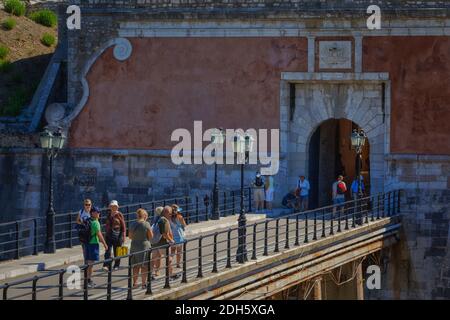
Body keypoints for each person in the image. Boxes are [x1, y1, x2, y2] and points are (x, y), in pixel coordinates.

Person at [129, 208, 153, 289]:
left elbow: (130, 236)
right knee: (144, 266)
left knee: (135, 267)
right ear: (144, 215)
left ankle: (135, 283)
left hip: (134, 247)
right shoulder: (146, 224)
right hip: (144, 247)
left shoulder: (133, 224)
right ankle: (143, 283)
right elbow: (151, 236)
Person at [85, 207, 108, 288]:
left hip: (87, 243)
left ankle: (87, 279)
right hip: (93, 244)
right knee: (91, 264)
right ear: (92, 213)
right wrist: (105, 244)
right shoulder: (95, 223)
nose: (99, 213)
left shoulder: (88, 220)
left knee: (88, 263)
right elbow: (99, 235)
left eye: (99, 212)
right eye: (97, 212)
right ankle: (88, 281)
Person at [152, 206, 175, 279]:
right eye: (170, 213)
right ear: (165, 212)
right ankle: (171, 274)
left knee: (154, 259)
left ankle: (150, 274)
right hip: (163, 243)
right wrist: (171, 240)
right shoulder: (164, 220)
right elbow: (165, 234)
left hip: (155, 243)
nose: (171, 215)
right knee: (169, 259)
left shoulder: (157, 219)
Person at [103, 200, 126, 271]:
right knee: (108, 251)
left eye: (114, 206)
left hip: (118, 235)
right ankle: (106, 265)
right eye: (112, 206)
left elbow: (123, 226)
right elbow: (106, 225)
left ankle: (117, 265)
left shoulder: (119, 214)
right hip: (109, 235)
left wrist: (124, 236)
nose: (113, 207)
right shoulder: (108, 214)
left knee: (118, 251)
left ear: (117, 207)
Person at [170, 204, 187, 272]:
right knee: (179, 251)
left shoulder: (169, 218)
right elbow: (184, 225)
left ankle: (169, 263)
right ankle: (178, 264)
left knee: (172, 251)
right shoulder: (180, 217)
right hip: (179, 236)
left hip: (172, 236)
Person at [76, 199, 92, 264]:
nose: (87, 206)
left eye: (89, 205)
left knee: (90, 249)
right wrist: (82, 223)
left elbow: (96, 220)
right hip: (83, 233)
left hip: (91, 233)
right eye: (86, 204)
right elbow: (77, 221)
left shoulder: (92, 212)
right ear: (84, 205)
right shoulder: (81, 211)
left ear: (91, 205)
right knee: (84, 249)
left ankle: (90, 263)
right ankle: (86, 264)